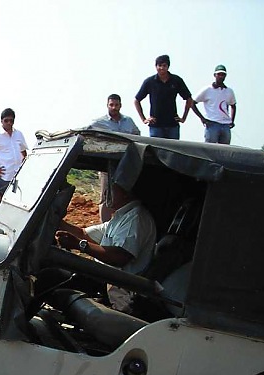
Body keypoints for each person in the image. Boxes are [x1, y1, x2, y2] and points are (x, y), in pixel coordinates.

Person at [48, 183, 157, 311]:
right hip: (103, 277)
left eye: (111, 190)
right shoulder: (121, 216)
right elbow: (83, 234)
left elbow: (120, 257)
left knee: (49, 277)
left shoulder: (136, 218)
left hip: (115, 283)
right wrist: (54, 220)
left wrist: (79, 245)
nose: (105, 194)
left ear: (126, 192)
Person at [88, 94, 141, 222]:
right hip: (107, 162)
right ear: (107, 105)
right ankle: (104, 227)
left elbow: (137, 135)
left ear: (120, 105)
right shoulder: (98, 122)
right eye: (111, 105)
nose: (114, 107)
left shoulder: (128, 121)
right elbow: (87, 133)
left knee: (125, 194)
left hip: (125, 162)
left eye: (116, 105)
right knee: (106, 195)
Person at [134, 54, 193, 139]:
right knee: (156, 151)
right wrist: (144, 119)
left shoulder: (176, 80)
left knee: (173, 151)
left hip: (172, 124)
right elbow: (136, 100)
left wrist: (183, 118)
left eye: (164, 65)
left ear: (168, 66)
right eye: (159, 65)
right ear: (156, 66)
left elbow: (189, 98)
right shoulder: (150, 82)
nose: (162, 68)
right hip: (156, 125)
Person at [190, 65, 236, 144]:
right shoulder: (207, 90)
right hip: (212, 124)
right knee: (209, 151)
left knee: (225, 152)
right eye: (219, 74)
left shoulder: (229, 91)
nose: (221, 76)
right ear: (215, 75)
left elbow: (233, 105)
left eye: (223, 74)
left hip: (225, 125)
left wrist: (232, 120)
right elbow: (192, 103)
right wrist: (202, 118)